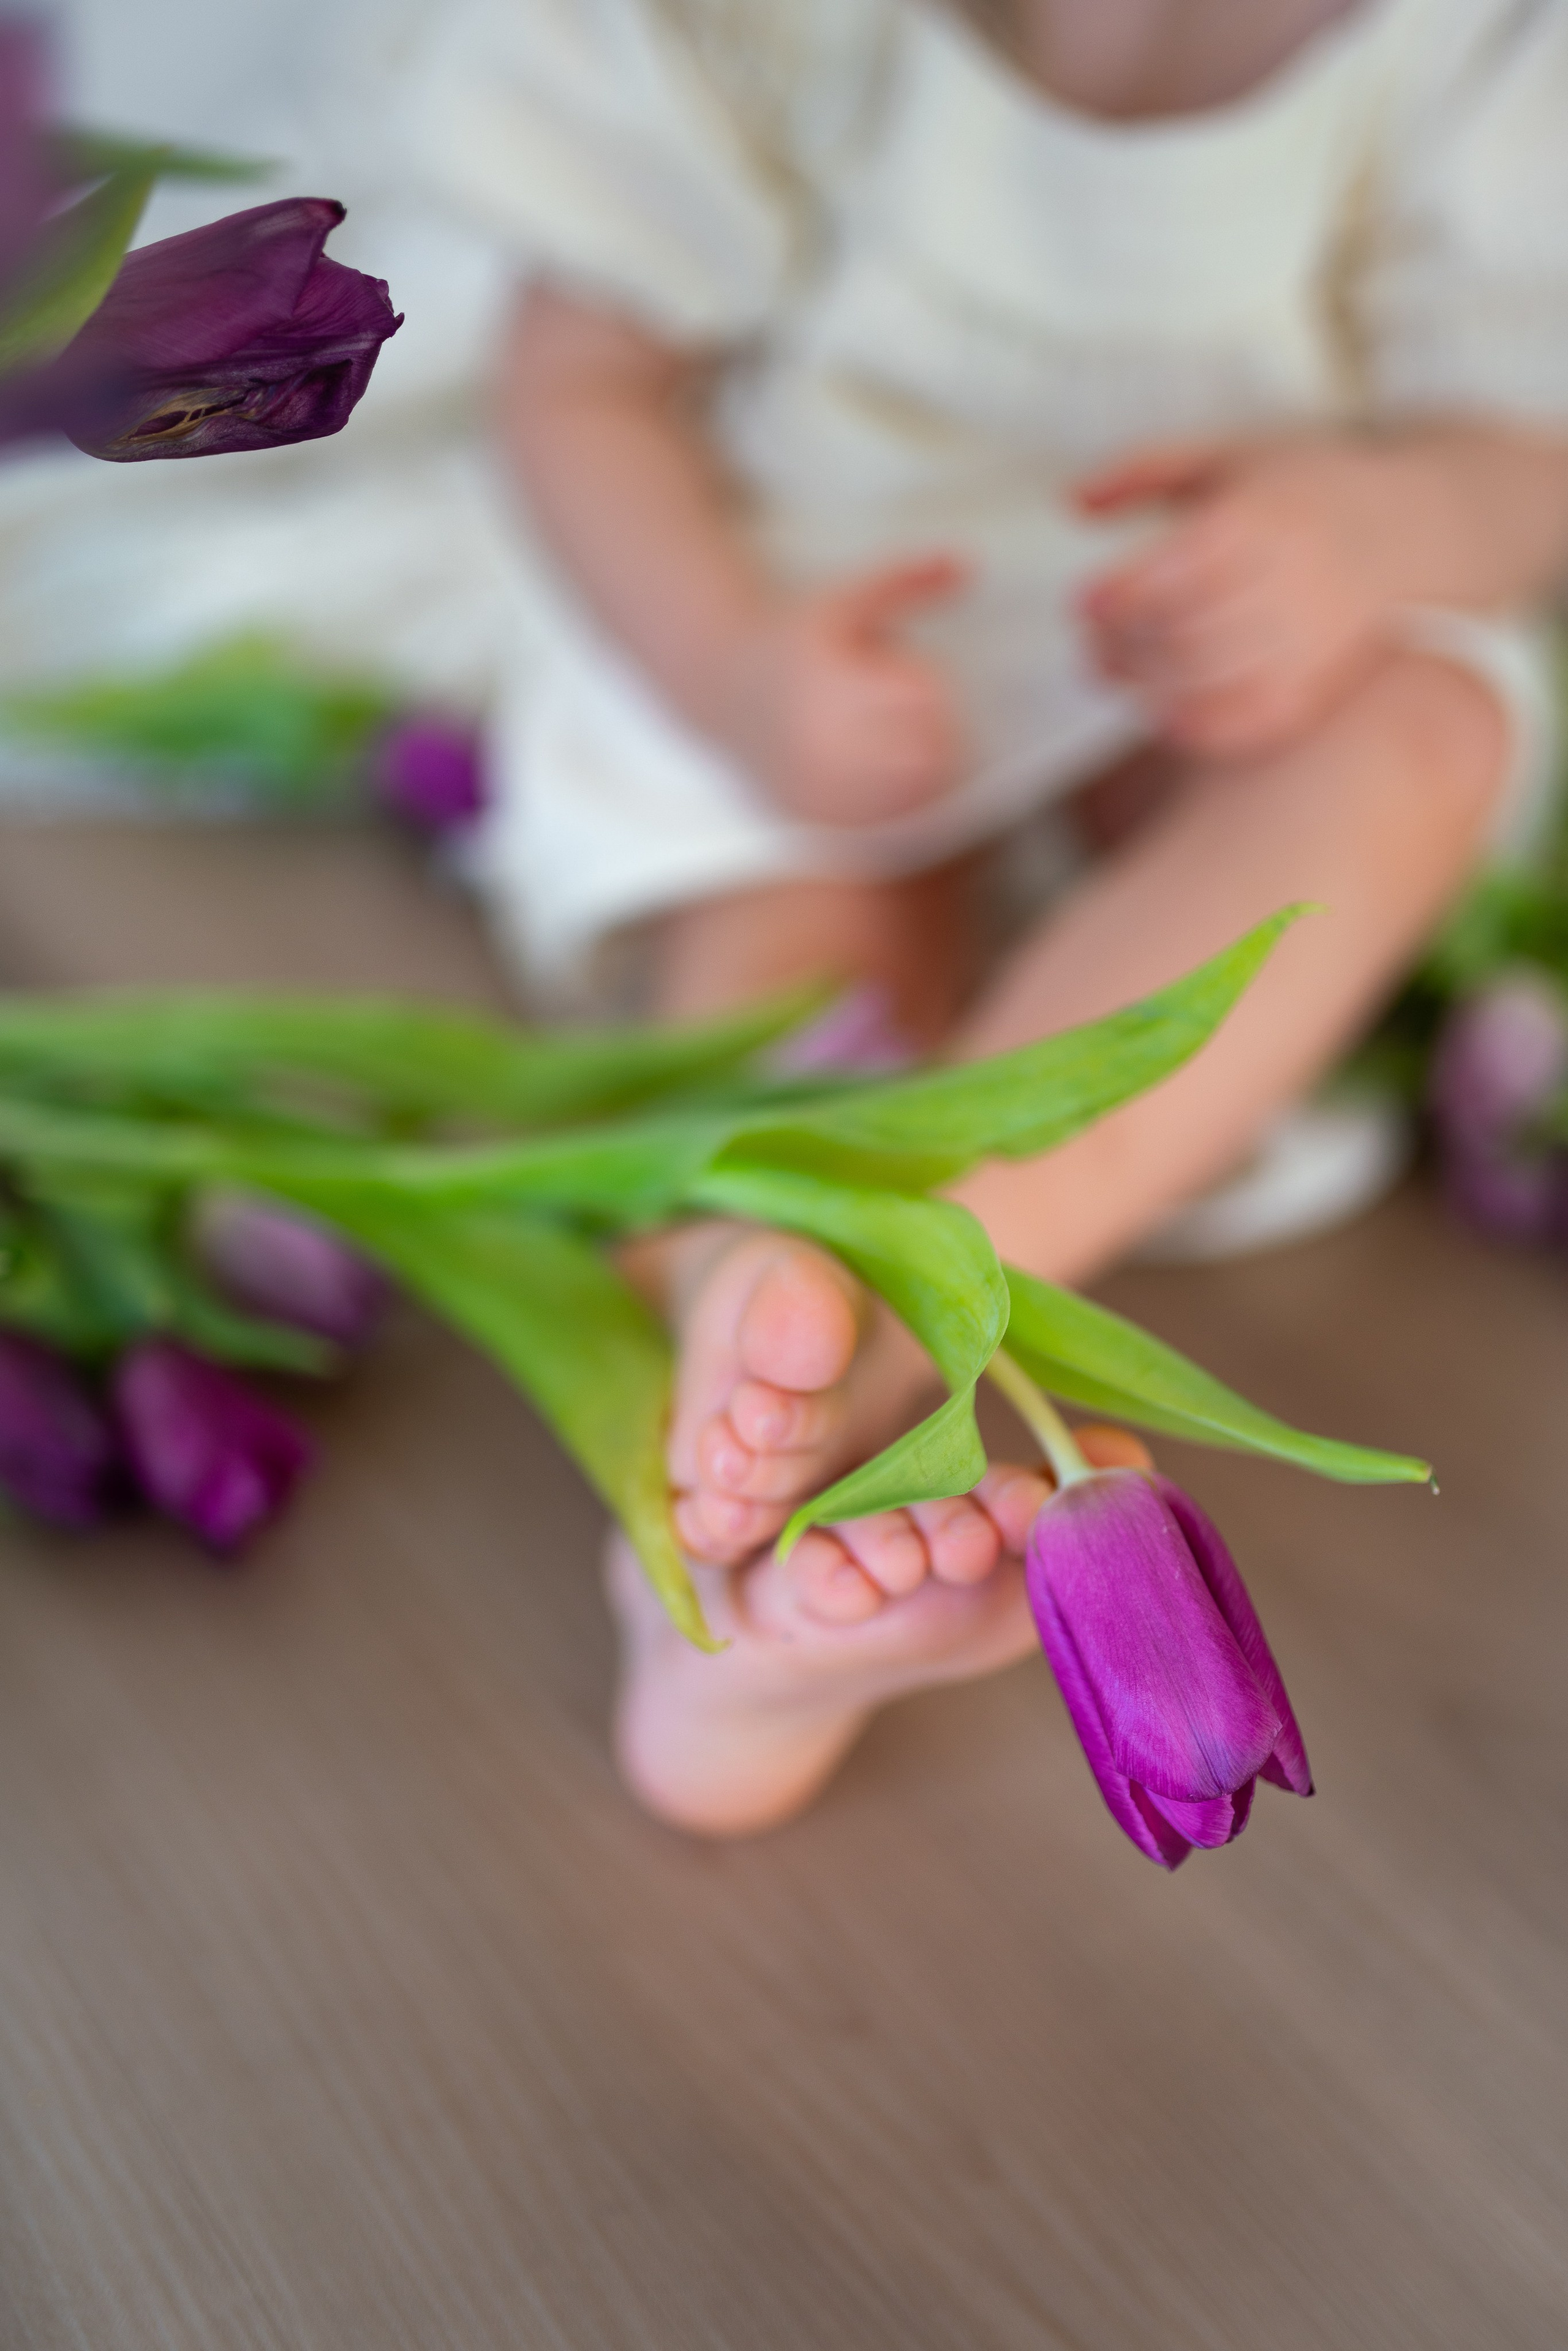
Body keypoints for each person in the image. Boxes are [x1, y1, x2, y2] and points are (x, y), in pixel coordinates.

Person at [409, 0, 1568, 1834]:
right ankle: (715, 1576)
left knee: (1431, 724)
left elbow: (1535, 454)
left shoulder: (1485, 50)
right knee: (798, 977)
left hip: (1201, 683)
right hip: (823, 633)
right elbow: (577, 389)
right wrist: (731, 668)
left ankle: (910, 1264)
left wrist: (1386, 526)